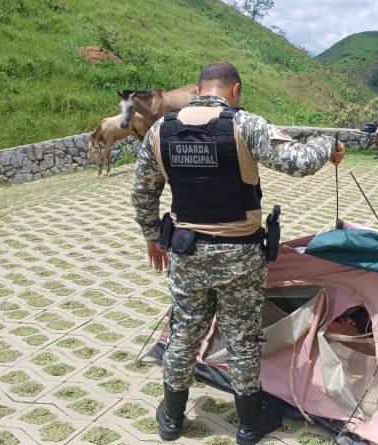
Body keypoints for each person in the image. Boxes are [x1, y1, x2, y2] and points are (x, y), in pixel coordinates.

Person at [131, 61, 345, 444]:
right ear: (235, 90)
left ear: (198, 90)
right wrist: (328, 144)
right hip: (240, 257)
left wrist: (151, 236)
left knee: (184, 330)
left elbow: (142, 193)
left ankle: (172, 419)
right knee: (242, 336)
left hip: (185, 252)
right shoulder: (245, 125)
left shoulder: (160, 130)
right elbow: (299, 162)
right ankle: (249, 422)